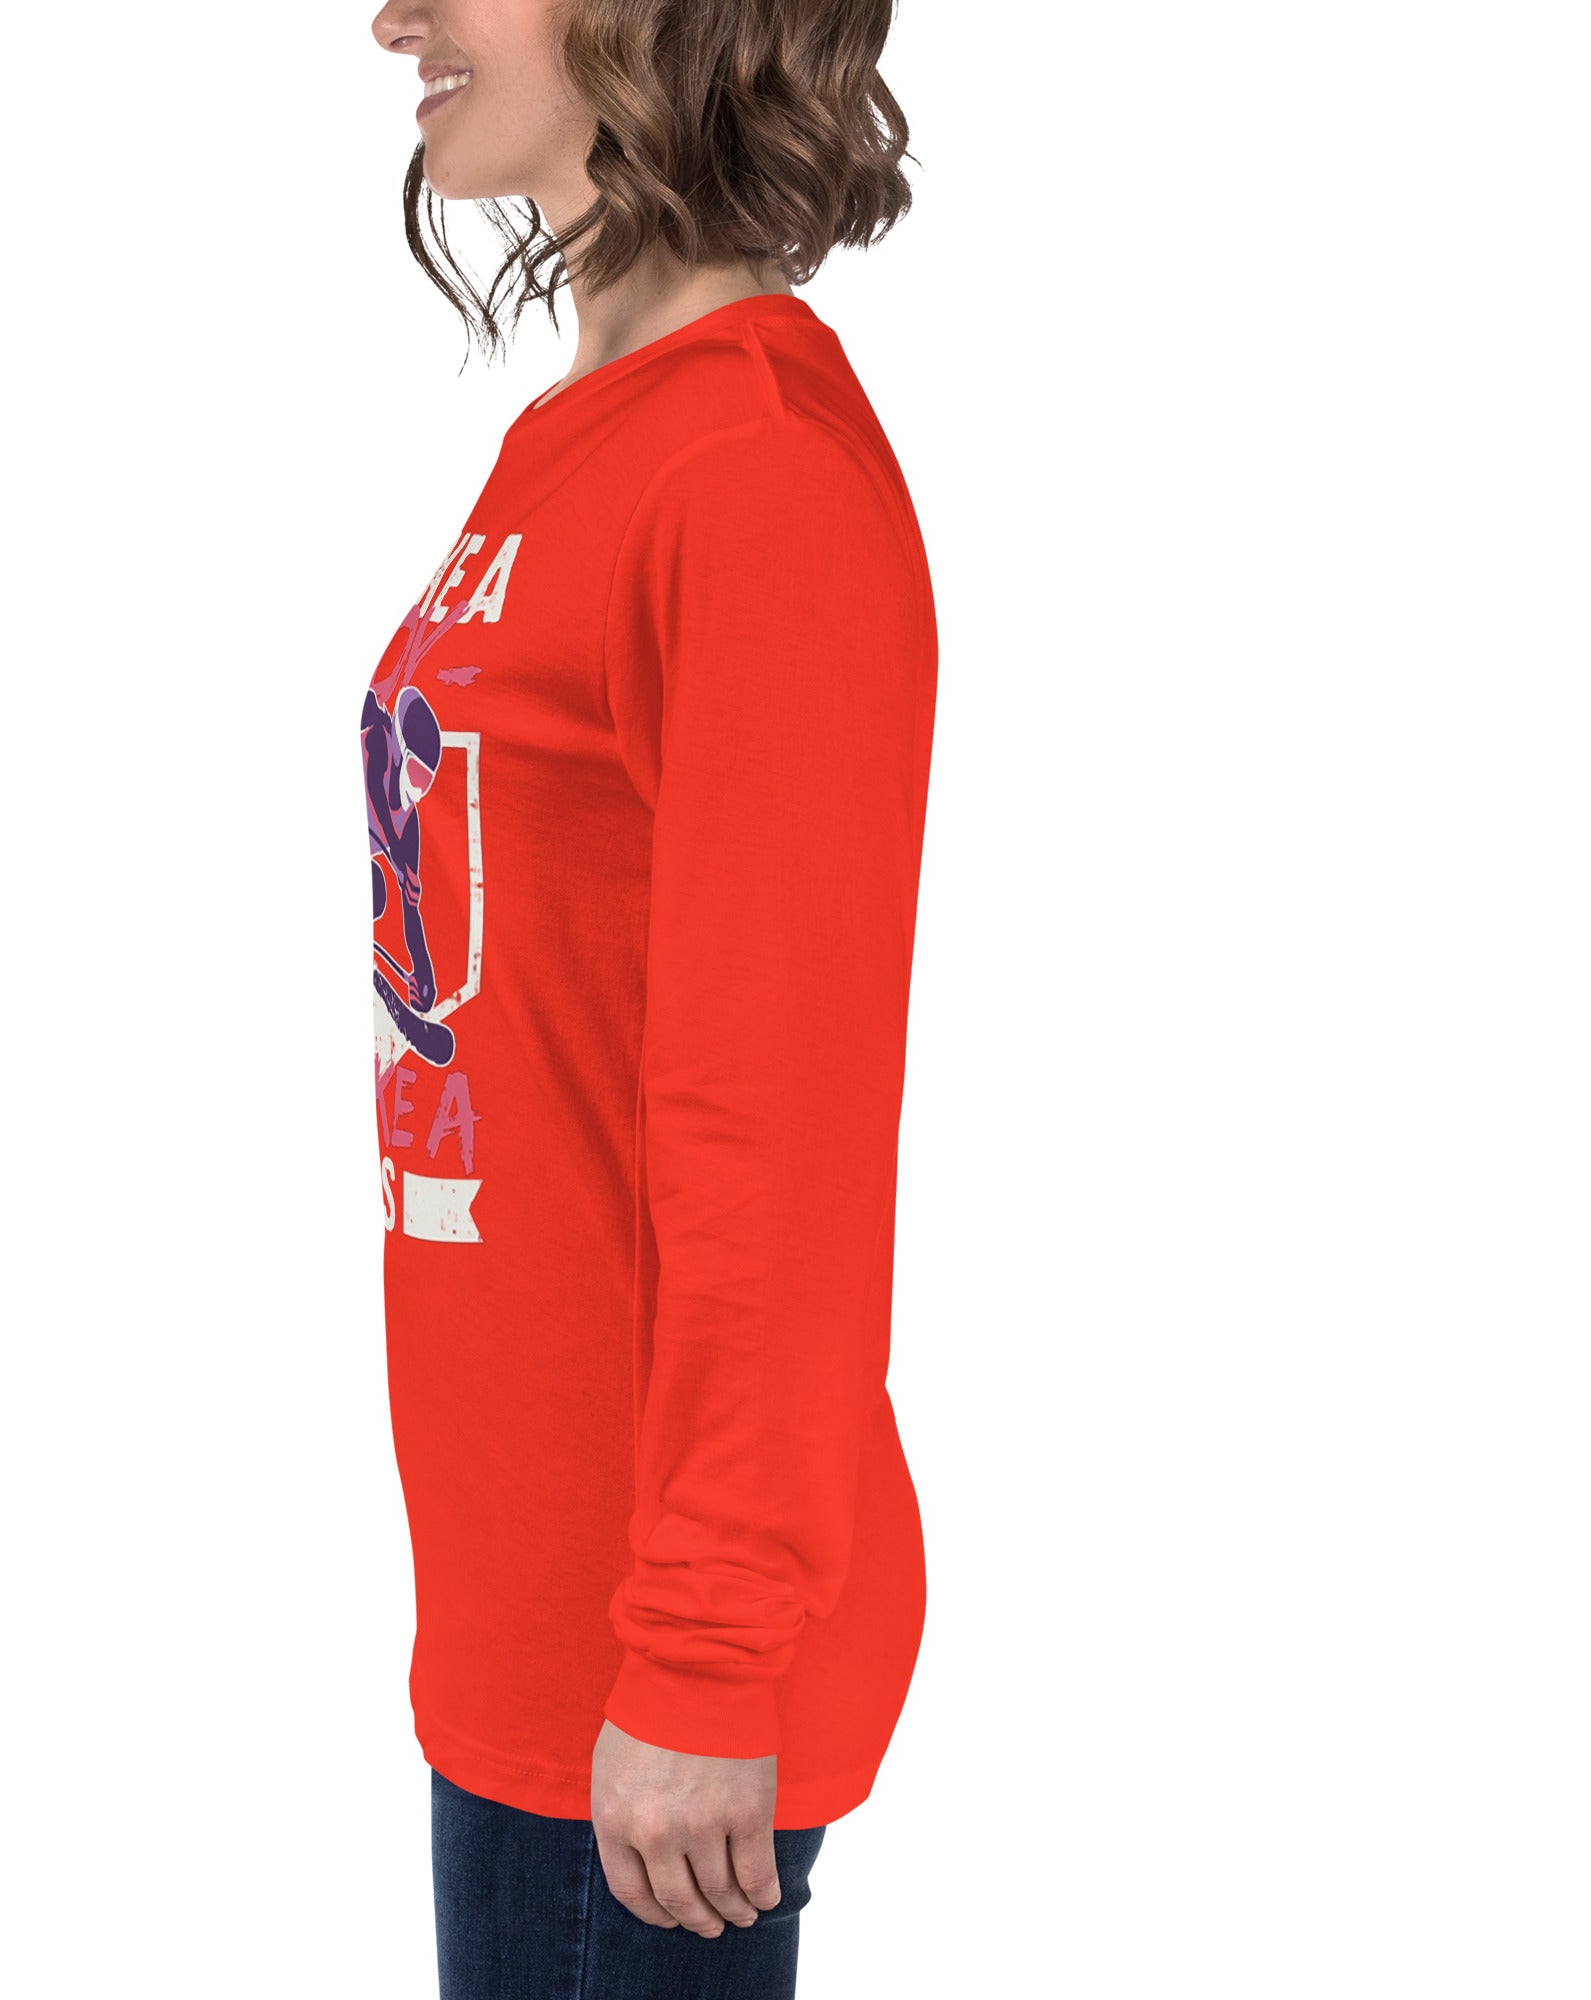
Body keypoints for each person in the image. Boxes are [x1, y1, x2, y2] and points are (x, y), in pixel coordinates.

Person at [362, 4, 937, 1992]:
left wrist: (701, 1649)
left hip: (656, 1677)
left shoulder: (749, 469)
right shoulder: (586, 440)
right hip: (527, 1622)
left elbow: (775, 1126)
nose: (394, 17)